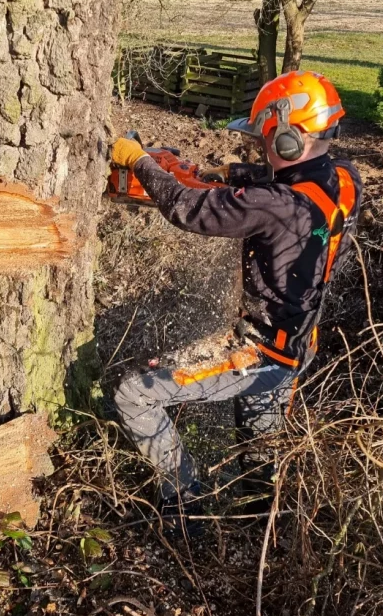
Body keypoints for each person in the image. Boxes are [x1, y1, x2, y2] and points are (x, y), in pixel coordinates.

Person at [110, 71, 362, 537]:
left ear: (289, 139)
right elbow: (282, 190)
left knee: (134, 393)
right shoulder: (346, 180)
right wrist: (228, 177)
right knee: (259, 467)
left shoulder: (275, 204)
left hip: (259, 352)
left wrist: (142, 163)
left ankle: (186, 507)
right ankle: (262, 539)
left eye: (267, 142)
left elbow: (192, 210)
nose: (261, 151)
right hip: (299, 346)